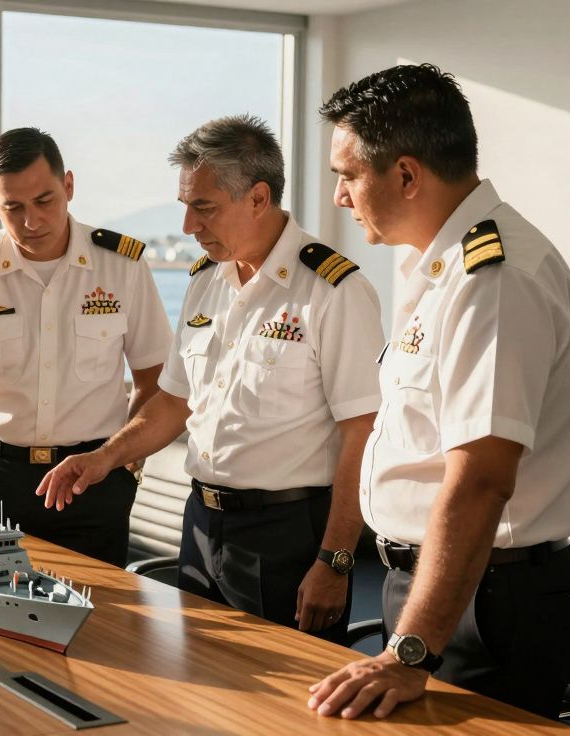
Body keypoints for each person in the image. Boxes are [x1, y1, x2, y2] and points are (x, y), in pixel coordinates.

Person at [307, 63, 570, 720]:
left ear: (406, 175)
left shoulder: (493, 279)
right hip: (439, 589)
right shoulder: (437, 266)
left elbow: (480, 481)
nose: (340, 198)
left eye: (347, 176)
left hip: (486, 604)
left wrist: (410, 652)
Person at [37, 115, 383, 640]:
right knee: (201, 692)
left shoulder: (332, 290)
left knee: (283, 711)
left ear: (259, 198)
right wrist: (103, 457)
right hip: (200, 521)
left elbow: (362, 434)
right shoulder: (206, 281)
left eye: (204, 208)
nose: (188, 227)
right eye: (185, 207)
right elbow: (173, 402)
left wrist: (334, 562)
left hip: (287, 533)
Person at [0, 127, 173, 567]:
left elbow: (154, 380)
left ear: (68, 185)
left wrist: (122, 459)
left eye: (44, 201)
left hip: (93, 482)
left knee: (98, 622)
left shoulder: (122, 266)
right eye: (13, 207)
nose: (31, 221)